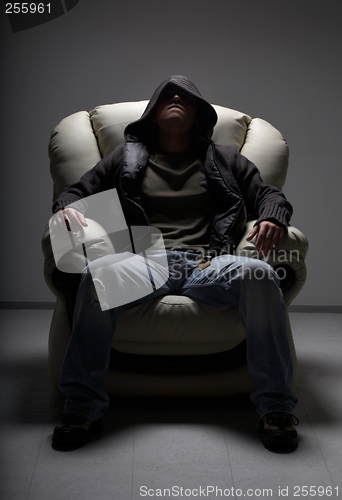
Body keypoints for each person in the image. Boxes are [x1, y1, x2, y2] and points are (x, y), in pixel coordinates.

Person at [50, 75, 299, 451]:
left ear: (199, 114)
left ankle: (275, 408)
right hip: (146, 262)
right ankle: (81, 407)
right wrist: (66, 209)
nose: (177, 97)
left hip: (209, 263)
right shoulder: (126, 157)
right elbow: (77, 190)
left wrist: (272, 217)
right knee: (97, 273)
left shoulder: (226, 159)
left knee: (261, 272)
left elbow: (268, 194)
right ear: (152, 114)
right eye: (168, 95)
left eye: (185, 96)